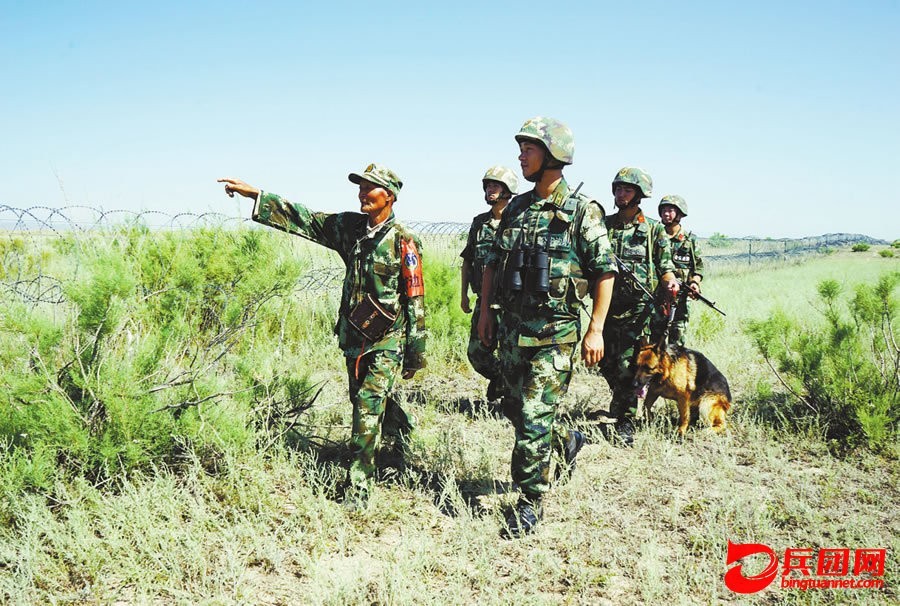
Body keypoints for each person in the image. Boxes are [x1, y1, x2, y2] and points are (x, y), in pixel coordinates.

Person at [217, 164, 426, 510]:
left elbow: (415, 296)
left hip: (387, 340)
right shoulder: (350, 229)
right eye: (359, 186)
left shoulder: (404, 240)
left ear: (388, 196)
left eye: (370, 187)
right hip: (354, 336)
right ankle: (403, 434)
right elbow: (307, 219)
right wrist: (256, 195)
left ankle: (358, 490)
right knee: (367, 400)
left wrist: (415, 352)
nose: (361, 192)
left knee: (366, 405)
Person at [477, 117, 616, 537]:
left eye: (529, 149)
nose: (521, 155)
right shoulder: (517, 207)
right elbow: (492, 263)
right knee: (519, 410)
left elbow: (604, 271)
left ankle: (529, 501)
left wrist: (596, 329)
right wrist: (485, 311)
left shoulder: (580, 210)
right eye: (521, 148)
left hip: (555, 335)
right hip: (513, 330)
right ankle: (567, 441)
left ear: (554, 155)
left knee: (535, 416)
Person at [599, 167, 677, 446]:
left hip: (639, 311)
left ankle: (626, 422)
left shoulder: (653, 230)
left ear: (639, 195)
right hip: (607, 307)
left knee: (630, 366)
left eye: (627, 190)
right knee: (605, 362)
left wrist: (670, 281)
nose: (621, 194)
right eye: (618, 189)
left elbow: (665, 265)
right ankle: (622, 400)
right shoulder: (604, 227)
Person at [460, 166, 518, 403]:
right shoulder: (480, 223)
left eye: (495, 186)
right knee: (477, 353)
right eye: (487, 186)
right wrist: (463, 294)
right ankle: (500, 379)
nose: (489, 190)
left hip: (510, 302)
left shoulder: (517, 222)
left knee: (509, 352)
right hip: (483, 299)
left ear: (507, 190)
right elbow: (468, 260)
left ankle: (511, 399)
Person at [657, 195, 704, 347]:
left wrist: (695, 283)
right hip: (656, 297)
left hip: (680, 300)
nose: (666, 213)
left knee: (676, 342)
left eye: (670, 210)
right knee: (653, 341)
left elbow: (698, 268)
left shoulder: (690, 241)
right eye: (663, 210)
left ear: (680, 214)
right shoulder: (655, 236)